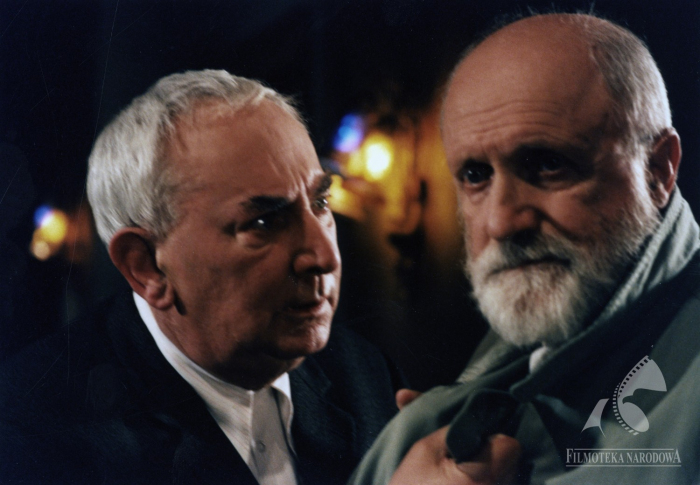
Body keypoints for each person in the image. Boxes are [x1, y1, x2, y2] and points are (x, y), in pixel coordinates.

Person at [0, 70, 401, 485]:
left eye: (321, 202)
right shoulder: (29, 440)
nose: (324, 256)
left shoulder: (366, 377)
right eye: (264, 222)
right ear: (147, 266)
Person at [351, 13, 700, 485]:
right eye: (475, 175)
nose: (501, 222)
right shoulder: (423, 433)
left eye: (548, 165)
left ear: (657, 170)